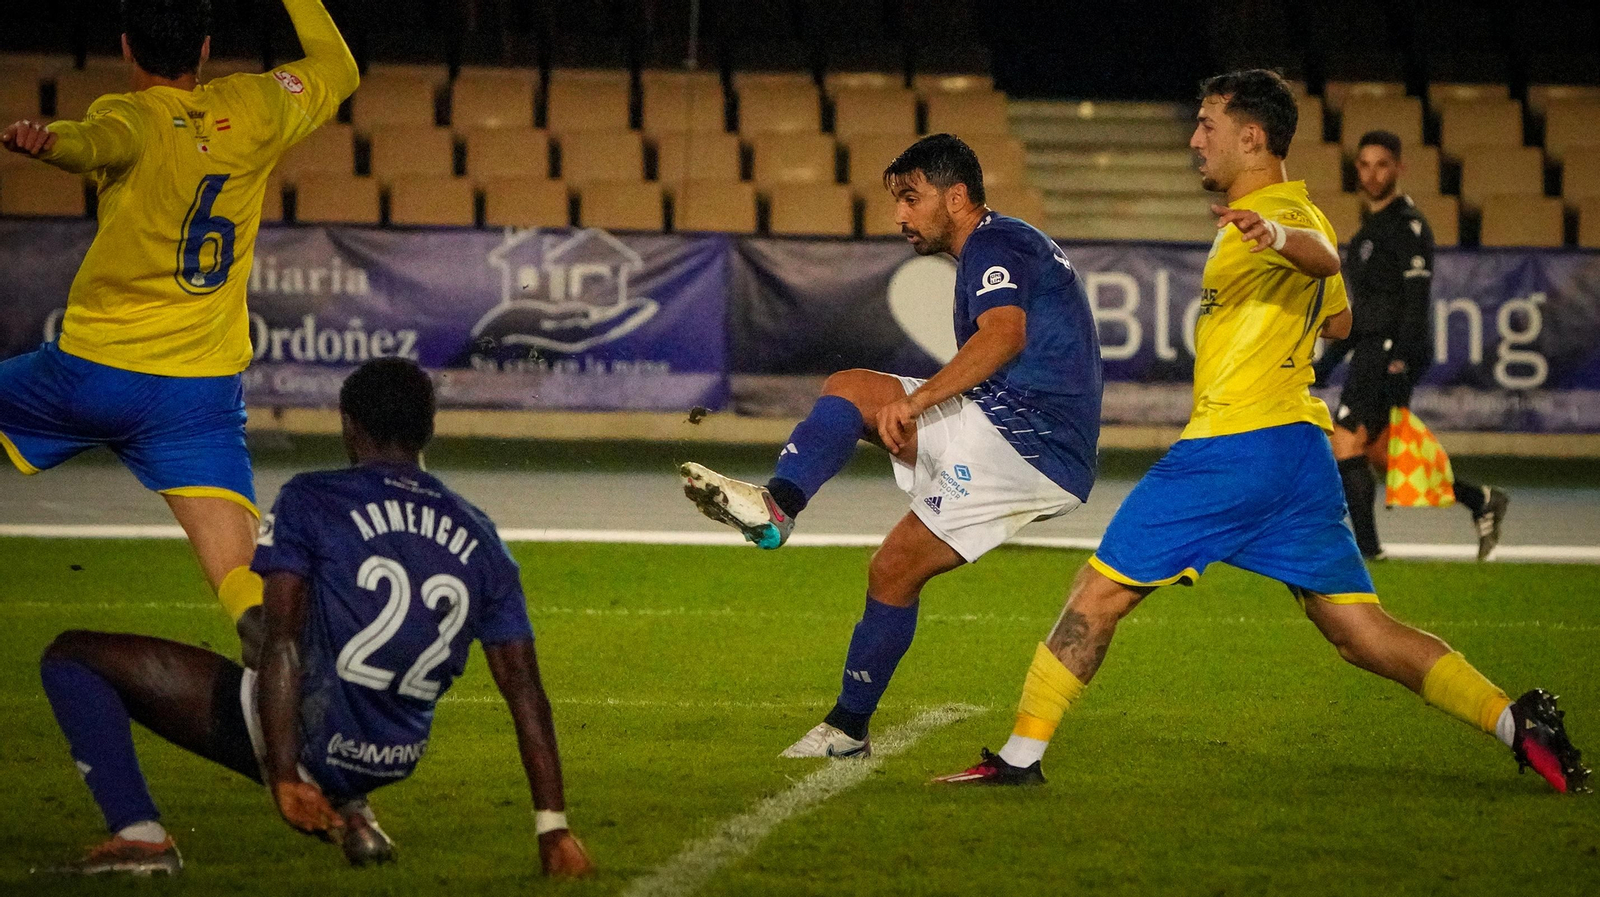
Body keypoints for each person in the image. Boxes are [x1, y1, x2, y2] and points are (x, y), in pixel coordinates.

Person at [936, 70, 1587, 795]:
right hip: (1297, 450)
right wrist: (1285, 306)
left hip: (1231, 448)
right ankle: (1515, 722)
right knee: (1358, 630)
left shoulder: (1281, 213)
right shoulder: (1297, 206)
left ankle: (1020, 758)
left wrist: (1274, 236)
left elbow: (1321, 258)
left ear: (1252, 135)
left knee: (1097, 590)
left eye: (1207, 123)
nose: (1194, 139)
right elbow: (1338, 316)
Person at [37, 358, 595, 877]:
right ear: (429, 428)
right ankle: (352, 809)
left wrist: (283, 775)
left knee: (72, 656)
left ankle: (142, 838)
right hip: (392, 754)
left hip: (310, 734)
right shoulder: (481, 535)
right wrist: (554, 827)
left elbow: (280, 643)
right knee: (313, 638)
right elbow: (525, 690)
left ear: (349, 425)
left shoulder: (314, 497)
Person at [679, 134, 1103, 758]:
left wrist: (920, 399)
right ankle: (779, 506)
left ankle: (847, 728)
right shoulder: (1001, 241)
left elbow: (1005, 336)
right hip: (1007, 422)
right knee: (851, 391)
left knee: (893, 569)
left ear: (956, 197)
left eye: (911, 197)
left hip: (1027, 448)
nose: (899, 215)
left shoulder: (995, 244)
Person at [0, 0, 360, 662]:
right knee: (244, 587)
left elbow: (98, 144)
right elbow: (338, 65)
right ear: (204, 50)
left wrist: (56, 143)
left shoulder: (127, 113)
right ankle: (295, 718)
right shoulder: (256, 106)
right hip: (194, 396)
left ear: (126, 48)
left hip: (89, 374)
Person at [1314, 130, 1509, 561]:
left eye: (1381, 164)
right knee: (1384, 453)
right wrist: (1329, 362)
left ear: (1399, 168)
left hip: (1390, 352)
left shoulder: (1409, 225)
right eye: (1364, 164)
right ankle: (1480, 501)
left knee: (1344, 444)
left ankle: (1368, 553)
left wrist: (1402, 357)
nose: (1372, 173)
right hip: (1369, 348)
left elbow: (1415, 302)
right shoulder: (1369, 231)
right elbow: (1362, 310)